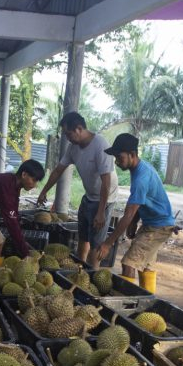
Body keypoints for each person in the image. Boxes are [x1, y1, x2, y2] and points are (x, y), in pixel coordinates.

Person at [36, 112, 118, 268]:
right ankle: (80, 269)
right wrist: (43, 191)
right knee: (83, 237)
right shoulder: (73, 147)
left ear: (79, 129)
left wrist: (101, 212)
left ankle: (91, 276)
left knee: (95, 243)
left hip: (105, 199)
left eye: (68, 134)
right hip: (89, 197)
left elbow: (106, 183)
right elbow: (58, 170)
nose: (67, 138)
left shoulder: (101, 145)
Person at [96, 133, 175, 285]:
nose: (117, 162)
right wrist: (134, 223)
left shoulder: (141, 178)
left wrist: (108, 243)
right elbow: (139, 204)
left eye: (120, 157)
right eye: (116, 158)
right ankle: (148, 302)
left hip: (158, 227)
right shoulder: (140, 169)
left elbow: (128, 214)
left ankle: (128, 303)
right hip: (155, 224)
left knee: (129, 263)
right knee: (146, 266)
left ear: (132, 154)